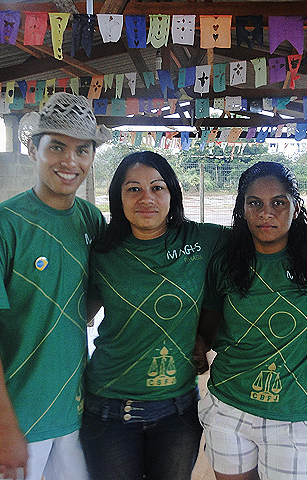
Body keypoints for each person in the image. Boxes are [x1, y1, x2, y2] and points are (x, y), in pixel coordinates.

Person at [0, 92, 112, 480]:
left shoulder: (90, 220)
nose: (70, 161)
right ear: (33, 149)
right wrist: (4, 426)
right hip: (15, 417)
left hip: (70, 410)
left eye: (83, 150)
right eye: (57, 147)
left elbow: (91, 298)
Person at [79, 151, 228, 480]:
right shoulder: (102, 251)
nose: (146, 198)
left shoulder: (202, 240)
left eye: (157, 188)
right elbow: (74, 315)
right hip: (108, 408)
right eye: (133, 189)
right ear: (118, 197)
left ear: (172, 193)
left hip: (177, 411)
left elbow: (271, 240)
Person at [197, 162, 307, 480]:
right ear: (242, 209)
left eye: (278, 202)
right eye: (255, 203)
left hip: (291, 414)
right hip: (228, 406)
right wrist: (197, 348)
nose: (266, 213)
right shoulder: (225, 262)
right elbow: (207, 331)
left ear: (295, 207)